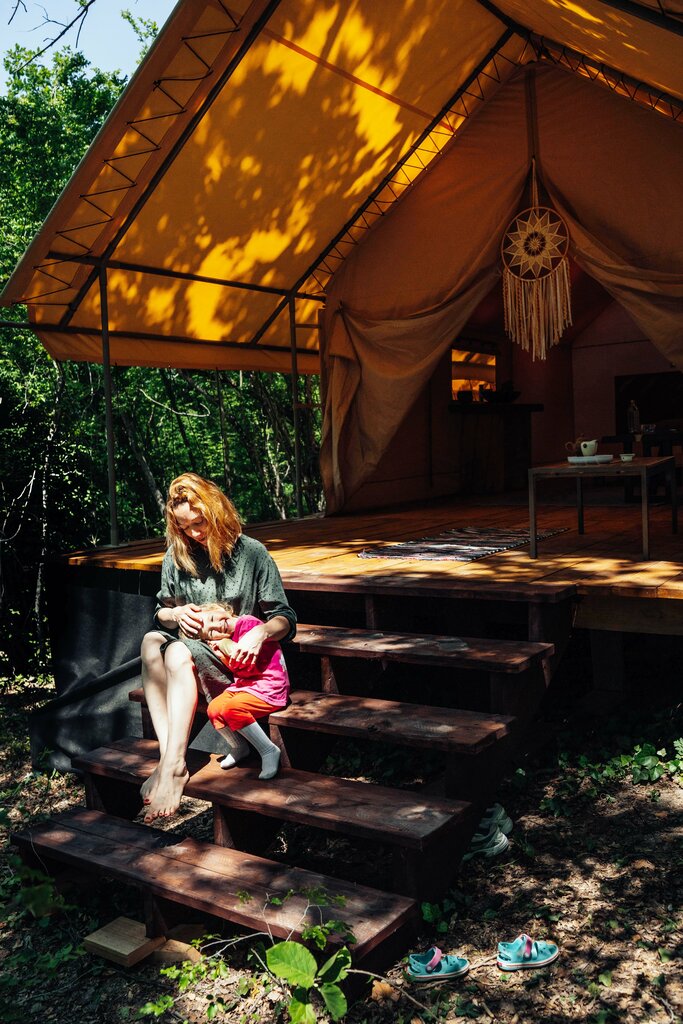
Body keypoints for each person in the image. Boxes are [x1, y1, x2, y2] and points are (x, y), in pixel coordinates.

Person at [140, 473, 296, 822]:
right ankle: (169, 760)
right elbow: (161, 613)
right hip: (188, 645)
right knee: (151, 641)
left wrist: (260, 633)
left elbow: (285, 618)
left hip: (233, 659)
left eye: (199, 522)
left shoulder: (252, 553)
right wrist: (176, 613)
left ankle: (174, 766)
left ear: (217, 510)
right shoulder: (176, 556)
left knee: (176, 651)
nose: (194, 533)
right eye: (184, 527)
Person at [182, 601, 290, 779]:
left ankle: (268, 750)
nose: (217, 626)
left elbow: (250, 669)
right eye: (211, 632)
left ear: (220, 608)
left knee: (232, 709)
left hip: (270, 686)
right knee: (214, 708)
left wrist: (226, 650)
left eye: (212, 618)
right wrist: (223, 655)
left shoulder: (248, 624)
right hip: (248, 685)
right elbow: (241, 671)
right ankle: (239, 746)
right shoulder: (230, 637)